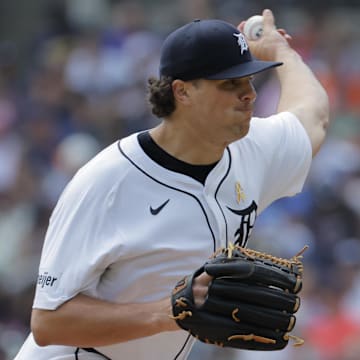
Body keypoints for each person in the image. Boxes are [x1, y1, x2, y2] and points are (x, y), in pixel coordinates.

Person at [14, 8, 329, 360]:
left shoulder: (252, 151)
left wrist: (282, 53)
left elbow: (313, 115)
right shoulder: (107, 181)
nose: (249, 95)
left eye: (250, 81)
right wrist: (169, 312)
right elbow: (48, 323)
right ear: (182, 91)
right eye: (230, 84)